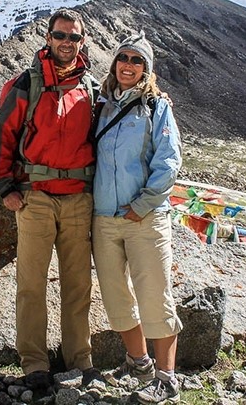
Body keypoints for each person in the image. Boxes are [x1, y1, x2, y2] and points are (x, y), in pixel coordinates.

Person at [0, 8, 101, 390]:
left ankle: (79, 361)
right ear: (48, 38)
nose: (66, 42)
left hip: (78, 200)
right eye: (60, 35)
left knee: (78, 284)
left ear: (82, 42)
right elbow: (1, 137)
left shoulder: (93, 89)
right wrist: (6, 188)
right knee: (31, 284)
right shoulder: (25, 84)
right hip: (34, 198)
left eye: (73, 37)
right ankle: (34, 364)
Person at [91, 31, 183, 404]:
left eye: (137, 60)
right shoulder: (99, 105)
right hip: (103, 216)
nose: (128, 65)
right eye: (123, 58)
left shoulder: (157, 107)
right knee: (115, 296)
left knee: (154, 294)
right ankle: (139, 362)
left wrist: (141, 205)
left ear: (146, 69)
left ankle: (167, 378)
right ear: (114, 62)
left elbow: (168, 162)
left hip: (144, 217)